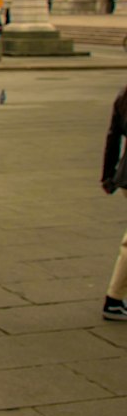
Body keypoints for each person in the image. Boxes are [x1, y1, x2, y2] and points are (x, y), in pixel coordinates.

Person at [98, 83, 127, 320]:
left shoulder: (124, 94)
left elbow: (113, 135)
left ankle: (115, 298)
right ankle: (114, 299)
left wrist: (108, 175)